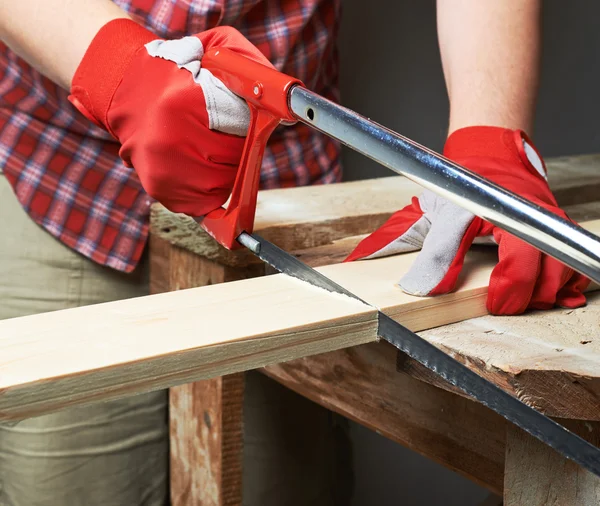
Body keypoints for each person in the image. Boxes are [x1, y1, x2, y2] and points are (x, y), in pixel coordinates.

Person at [0, 0, 586, 504]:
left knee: (280, 484)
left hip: (280, 181)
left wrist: (489, 136)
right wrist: (113, 67)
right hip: (61, 175)